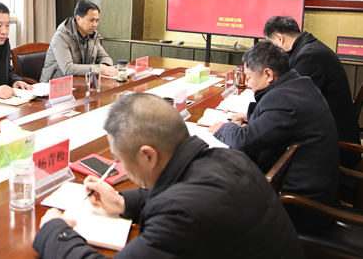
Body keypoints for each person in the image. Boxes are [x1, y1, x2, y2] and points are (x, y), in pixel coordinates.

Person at [33, 93, 303, 258]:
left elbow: (183, 205)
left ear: (148, 156)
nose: (120, 166)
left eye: (120, 159)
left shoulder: (181, 214)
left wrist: (55, 231)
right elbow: (182, 188)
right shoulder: (227, 158)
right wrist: (122, 202)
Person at [210, 41, 339, 231]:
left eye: (249, 77)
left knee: (219, 200)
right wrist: (252, 118)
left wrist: (224, 127)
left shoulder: (282, 101)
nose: (248, 84)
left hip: (302, 206)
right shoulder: (300, 84)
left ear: (268, 75)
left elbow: (244, 141)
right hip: (315, 191)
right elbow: (281, 120)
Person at [264, 15, 361, 169]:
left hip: (333, 146)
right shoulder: (310, 48)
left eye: (271, 44)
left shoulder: (309, 57)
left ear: (279, 38)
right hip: (332, 131)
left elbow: (290, 100)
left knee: (266, 150)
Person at [41, 0, 116, 82]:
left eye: (97, 20)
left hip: (80, 82)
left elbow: (105, 57)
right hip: (55, 85)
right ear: (78, 19)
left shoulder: (92, 36)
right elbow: (68, 69)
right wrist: (98, 69)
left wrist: (104, 67)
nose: (95, 24)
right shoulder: (61, 37)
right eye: (91, 20)